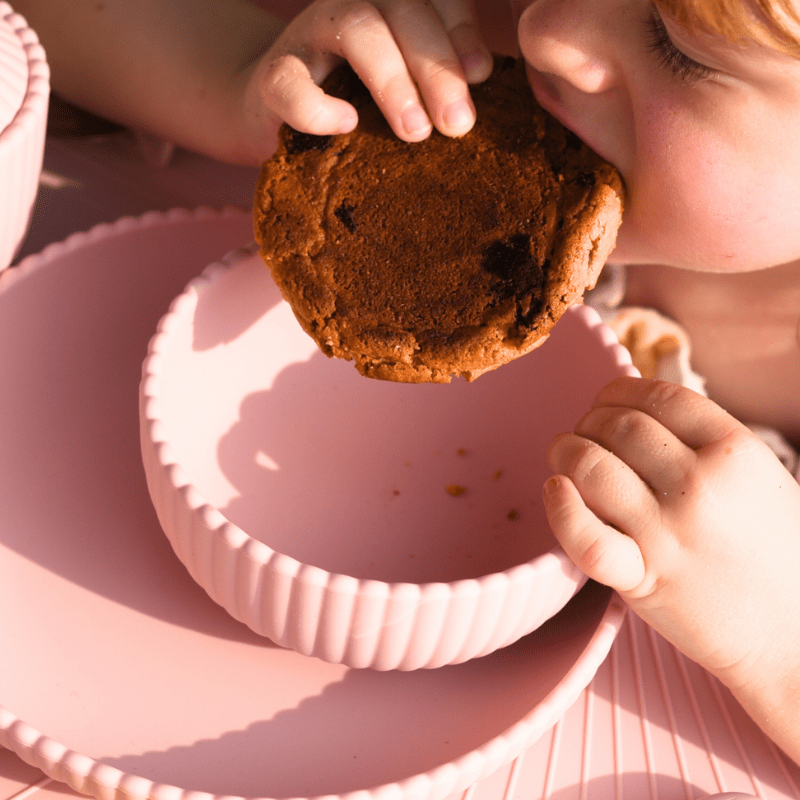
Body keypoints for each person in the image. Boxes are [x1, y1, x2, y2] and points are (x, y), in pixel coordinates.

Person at [16, 0, 800, 766]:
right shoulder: (446, 42)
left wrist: (777, 639)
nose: (547, 30)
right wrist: (232, 71)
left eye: (675, 44)